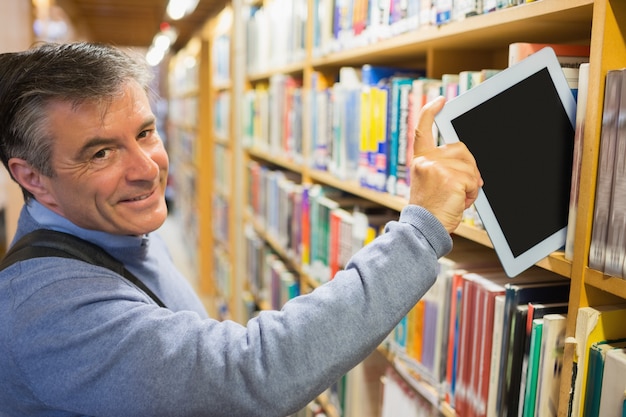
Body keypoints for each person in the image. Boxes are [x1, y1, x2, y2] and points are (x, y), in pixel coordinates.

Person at [0, 42, 481, 416]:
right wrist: (420, 231)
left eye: (146, 133)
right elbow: (251, 374)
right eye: (101, 152)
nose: (147, 169)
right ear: (32, 177)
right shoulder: (45, 309)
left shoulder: (115, 228)